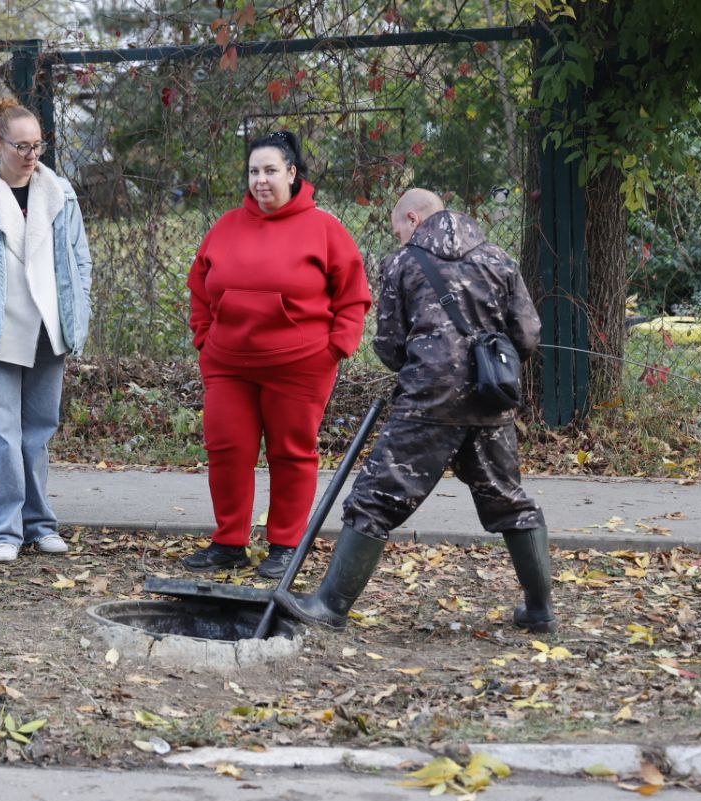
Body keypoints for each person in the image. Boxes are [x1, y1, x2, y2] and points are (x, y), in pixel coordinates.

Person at [274, 188, 557, 632]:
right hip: (491, 400)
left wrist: (430, 366)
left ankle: (331, 605)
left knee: (375, 499)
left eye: (398, 229)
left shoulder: (403, 263)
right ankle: (540, 611)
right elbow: (526, 335)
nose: (400, 237)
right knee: (509, 501)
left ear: (411, 218)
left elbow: (389, 344)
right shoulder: (498, 260)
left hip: (427, 402)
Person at [184, 130, 371, 579]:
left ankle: (286, 544)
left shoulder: (323, 227)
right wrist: (205, 339)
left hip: (300, 366)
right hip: (229, 364)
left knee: (291, 452)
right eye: (254, 171)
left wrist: (336, 348)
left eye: (270, 170)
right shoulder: (227, 225)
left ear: (292, 172)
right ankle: (229, 542)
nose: (261, 180)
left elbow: (353, 293)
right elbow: (199, 288)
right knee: (227, 449)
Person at [0, 98, 92, 563]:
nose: (32, 155)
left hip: (50, 331)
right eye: (21, 146)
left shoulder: (60, 193)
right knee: (2, 435)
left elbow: (80, 260)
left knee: (38, 432)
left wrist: (77, 314)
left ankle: (39, 524)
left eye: (38, 145)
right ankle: (2, 532)